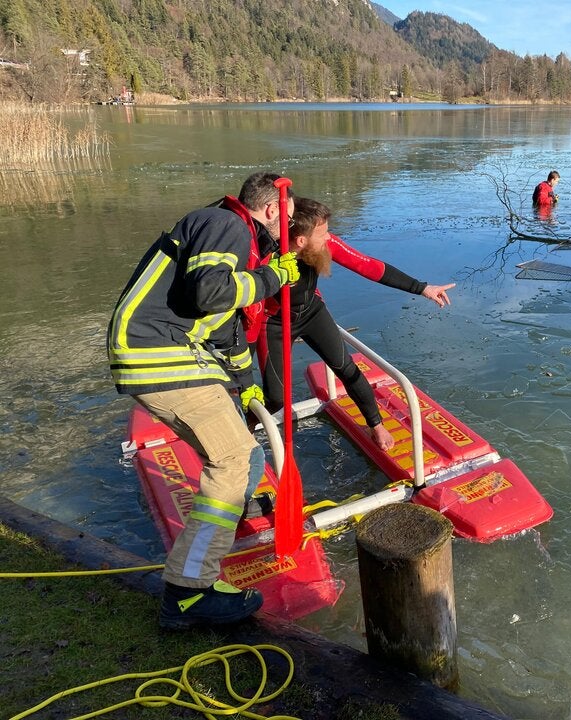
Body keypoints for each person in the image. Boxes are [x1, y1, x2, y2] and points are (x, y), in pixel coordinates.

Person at [107, 172, 300, 630]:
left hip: (168, 352)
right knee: (233, 457)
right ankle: (189, 592)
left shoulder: (224, 229)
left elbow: (219, 324)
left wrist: (245, 381)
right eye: (287, 221)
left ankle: (225, 522)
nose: (287, 233)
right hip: (158, 353)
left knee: (239, 454)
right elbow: (211, 294)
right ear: (271, 210)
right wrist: (273, 276)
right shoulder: (227, 224)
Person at [256, 198, 455, 452]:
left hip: (311, 312)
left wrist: (423, 288)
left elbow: (368, 266)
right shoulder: (265, 258)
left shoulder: (323, 244)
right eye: (323, 233)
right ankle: (242, 431)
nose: (329, 238)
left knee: (347, 368)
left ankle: (376, 425)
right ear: (301, 240)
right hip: (272, 323)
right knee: (274, 398)